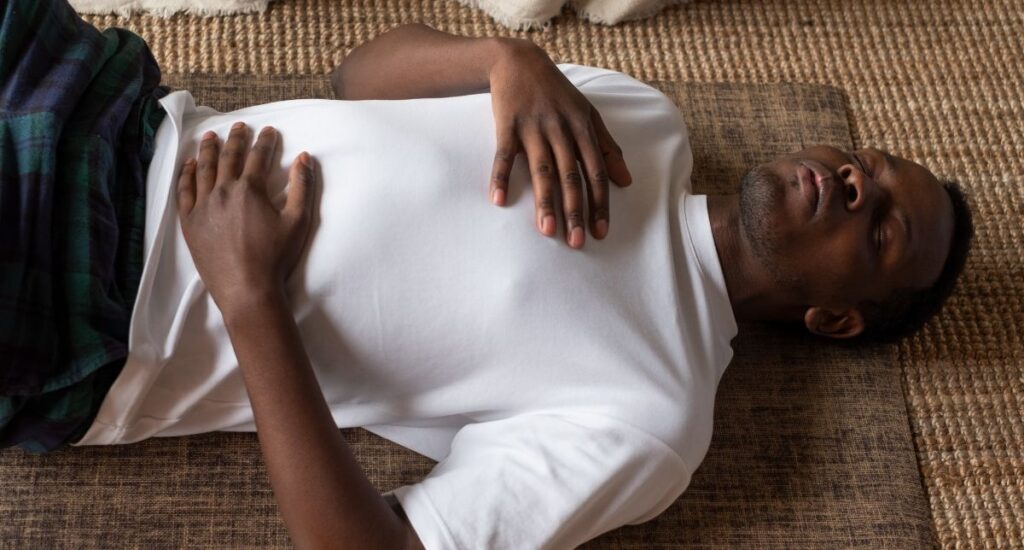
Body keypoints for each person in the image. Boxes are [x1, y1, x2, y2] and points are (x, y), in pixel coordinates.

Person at [0, 1, 974, 548]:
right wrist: (506, 59)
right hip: (116, 109)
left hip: (102, 299)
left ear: (836, 317)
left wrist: (249, 293)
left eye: (884, 227)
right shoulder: (644, 118)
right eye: (871, 163)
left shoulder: (655, 414)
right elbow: (356, 78)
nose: (856, 182)